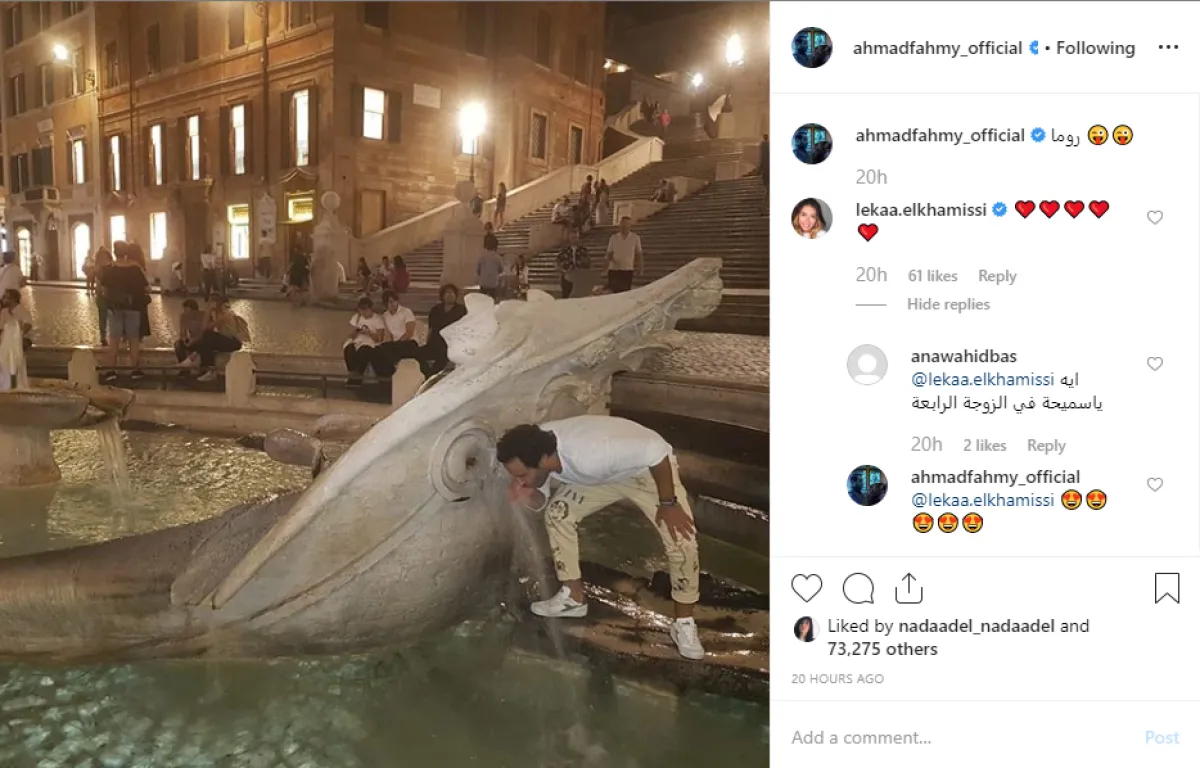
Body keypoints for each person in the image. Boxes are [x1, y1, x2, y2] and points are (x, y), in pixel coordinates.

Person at [498, 416, 705, 660]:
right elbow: (540, 498)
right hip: (601, 479)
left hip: (646, 473)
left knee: (681, 539)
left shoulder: (591, 453)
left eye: (522, 475)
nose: (519, 480)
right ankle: (573, 598)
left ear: (543, 460)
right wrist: (526, 493)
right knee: (558, 514)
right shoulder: (535, 447)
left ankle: (683, 623)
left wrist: (668, 504)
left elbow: (656, 452)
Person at [100, 242, 150, 381]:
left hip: (115, 308)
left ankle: (111, 370)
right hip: (133, 308)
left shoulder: (109, 269)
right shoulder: (135, 269)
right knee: (133, 340)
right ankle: (134, 370)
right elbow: (147, 288)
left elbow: (103, 290)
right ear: (126, 253)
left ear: (115, 253)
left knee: (114, 340)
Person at [179, 294, 247, 382]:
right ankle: (205, 369)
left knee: (208, 335)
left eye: (211, 302)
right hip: (226, 339)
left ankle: (197, 361)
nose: (209, 304)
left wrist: (209, 310)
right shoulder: (217, 314)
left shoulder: (225, 314)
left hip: (234, 342)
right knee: (207, 340)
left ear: (217, 303)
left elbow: (205, 328)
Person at [422, 283, 466, 376]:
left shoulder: (462, 310)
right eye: (447, 292)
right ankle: (428, 373)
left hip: (451, 343)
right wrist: (427, 341)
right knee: (418, 353)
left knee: (441, 357)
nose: (450, 295)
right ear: (442, 296)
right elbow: (431, 328)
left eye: (452, 292)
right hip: (435, 341)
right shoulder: (435, 309)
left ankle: (432, 375)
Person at [343, 296, 386, 386]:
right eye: (361, 310)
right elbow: (350, 335)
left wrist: (369, 333)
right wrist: (356, 331)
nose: (363, 313)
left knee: (363, 351)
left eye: (365, 310)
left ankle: (358, 375)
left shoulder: (377, 319)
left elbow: (379, 338)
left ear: (370, 309)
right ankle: (353, 373)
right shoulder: (357, 318)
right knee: (349, 349)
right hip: (357, 341)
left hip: (370, 342)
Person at [376, 291, 419, 374]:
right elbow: (389, 335)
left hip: (409, 342)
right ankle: (387, 375)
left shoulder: (406, 311)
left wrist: (396, 343)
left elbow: (409, 332)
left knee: (388, 348)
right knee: (379, 350)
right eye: (389, 302)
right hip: (395, 345)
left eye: (393, 301)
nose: (392, 304)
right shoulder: (385, 315)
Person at [604, 216, 643, 293]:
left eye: (626, 224)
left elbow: (639, 254)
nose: (624, 226)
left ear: (630, 226)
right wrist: (605, 267)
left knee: (625, 292)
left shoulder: (635, 238)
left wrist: (640, 267)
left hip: (627, 269)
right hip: (614, 269)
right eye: (623, 224)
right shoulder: (613, 238)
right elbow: (609, 253)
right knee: (614, 291)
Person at [173, 298, 205, 377]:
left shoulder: (204, 315)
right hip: (191, 339)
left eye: (186, 310)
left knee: (204, 344)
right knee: (177, 344)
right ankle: (184, 369)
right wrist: (184, 339)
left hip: (202, 339)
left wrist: (194, 340)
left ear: (194, 310)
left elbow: (205, 332)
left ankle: (203, 369)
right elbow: (182, 332)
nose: (185, 311)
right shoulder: (183, 316)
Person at [556, 228, 590, 299]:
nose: (574, 240)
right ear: (569, 238)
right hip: (567, 277)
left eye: (576, 238)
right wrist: (563, 271)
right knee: (567, 297)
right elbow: (558, 263)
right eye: (572, 238)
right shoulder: (563, 250)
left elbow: (588, 263)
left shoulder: (583, 250)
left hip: (580, 277)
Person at [93, 247, 113, 345]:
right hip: (102, 297)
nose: (104, 260)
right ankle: (103, 337)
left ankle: (114, 336)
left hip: (112, 296)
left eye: (105, 258)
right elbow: (98, 283)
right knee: (103, 317)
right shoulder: (98, 269)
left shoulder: (112, 268)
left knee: (113, 317)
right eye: (101, 258)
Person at [475, 233, 504, 299]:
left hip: (483, 284)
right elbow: (501, 269)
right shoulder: (497, 257)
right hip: (493, 284)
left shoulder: (481, 257)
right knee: (492, 300)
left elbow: (477, 271)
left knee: (483, 300)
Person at [758, 133, 769, 213]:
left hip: (766, 171)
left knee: (768, 191)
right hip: (767, 171)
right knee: (768, 191)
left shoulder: (763, 145)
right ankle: (763, 208)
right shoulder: (766, 145)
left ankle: (763, 208)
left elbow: (763, 158)